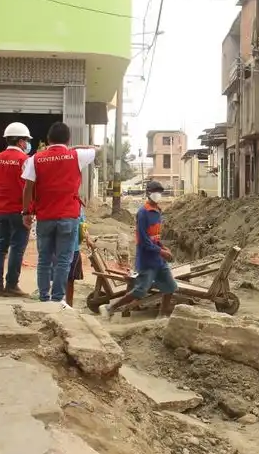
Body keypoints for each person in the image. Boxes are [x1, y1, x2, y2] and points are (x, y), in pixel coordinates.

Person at [21, 122, 97, 306]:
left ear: (48, 139)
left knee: (44, 259)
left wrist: (26, 212)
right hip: (69, 217)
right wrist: (72, 148)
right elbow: (96, 149)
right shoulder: (76, 155)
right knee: (64, 260)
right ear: (68, 139)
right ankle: (57, 299)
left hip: (45, 216)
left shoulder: (35, 159)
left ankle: (44, 297)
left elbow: (28, 189)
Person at [100, 180, 177, 320]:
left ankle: (163, 314)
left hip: (159, 260)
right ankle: (110, 307)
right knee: (140, 290)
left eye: (160, 192)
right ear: (148, 193)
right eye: (155, 192)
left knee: (170, 287)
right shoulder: (143, 213)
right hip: (147, 260)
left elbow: (155, 237)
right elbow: (144, 241)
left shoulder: (158, 212)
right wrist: (161, 252)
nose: (157, 195)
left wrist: (163, 247)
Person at [0, 122, 33, 297]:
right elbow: (29, 187)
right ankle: (11, 285)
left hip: (1, 210)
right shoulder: (25, 161)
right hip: (20, 211)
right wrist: (29, 210)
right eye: (26, 141)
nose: (27, 144)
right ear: (21, 142)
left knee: (0, 246)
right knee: (17, 247)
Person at [64, 205, 87, 307]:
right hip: (72, 248)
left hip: (69, 248)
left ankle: (66, 303)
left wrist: (88, 239)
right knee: (69, 279)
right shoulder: (77, 205)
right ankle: (67, 304)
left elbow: (83, 226)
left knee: (68, 279)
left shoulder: (78, 205)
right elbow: (83, 226)